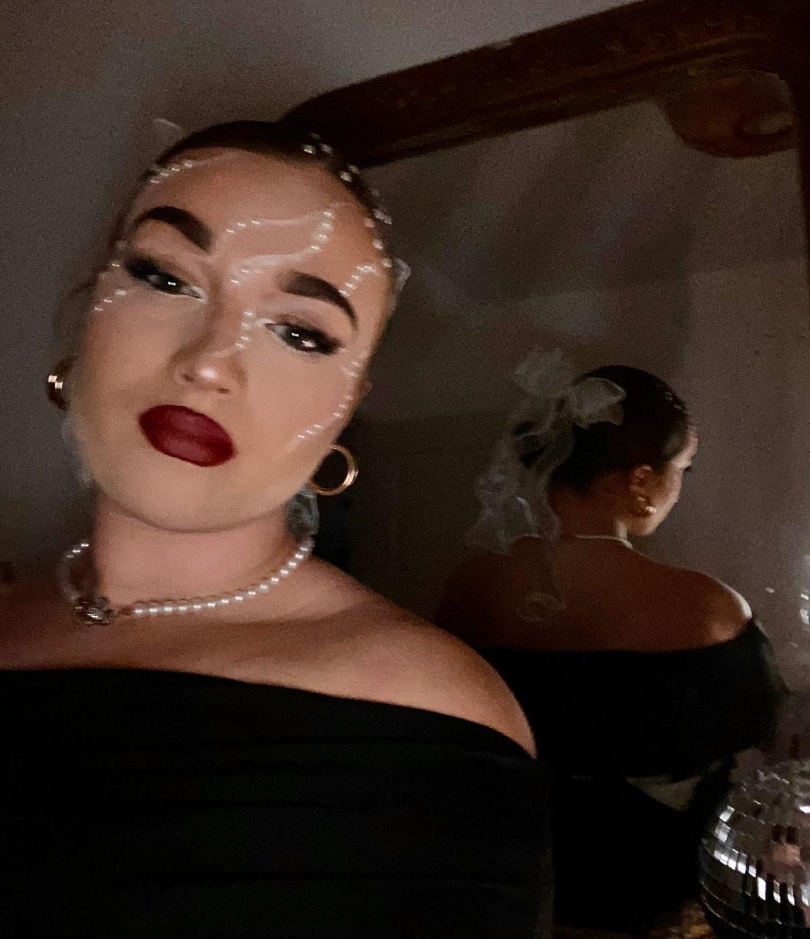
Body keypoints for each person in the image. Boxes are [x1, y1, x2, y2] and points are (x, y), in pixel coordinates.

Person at [0, 122, 547, 939]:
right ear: (86, 314)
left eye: (300, 333)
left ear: (345, 410)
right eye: (164, 277)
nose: (209, 362)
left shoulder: (428, 717)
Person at [437, 350, 786, 933]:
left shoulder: (471, 589)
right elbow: (762, 751)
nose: (680, 489)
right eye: (684, 469)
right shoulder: (709, 609)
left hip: (511, 892)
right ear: (641, 479)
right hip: (656, 903)